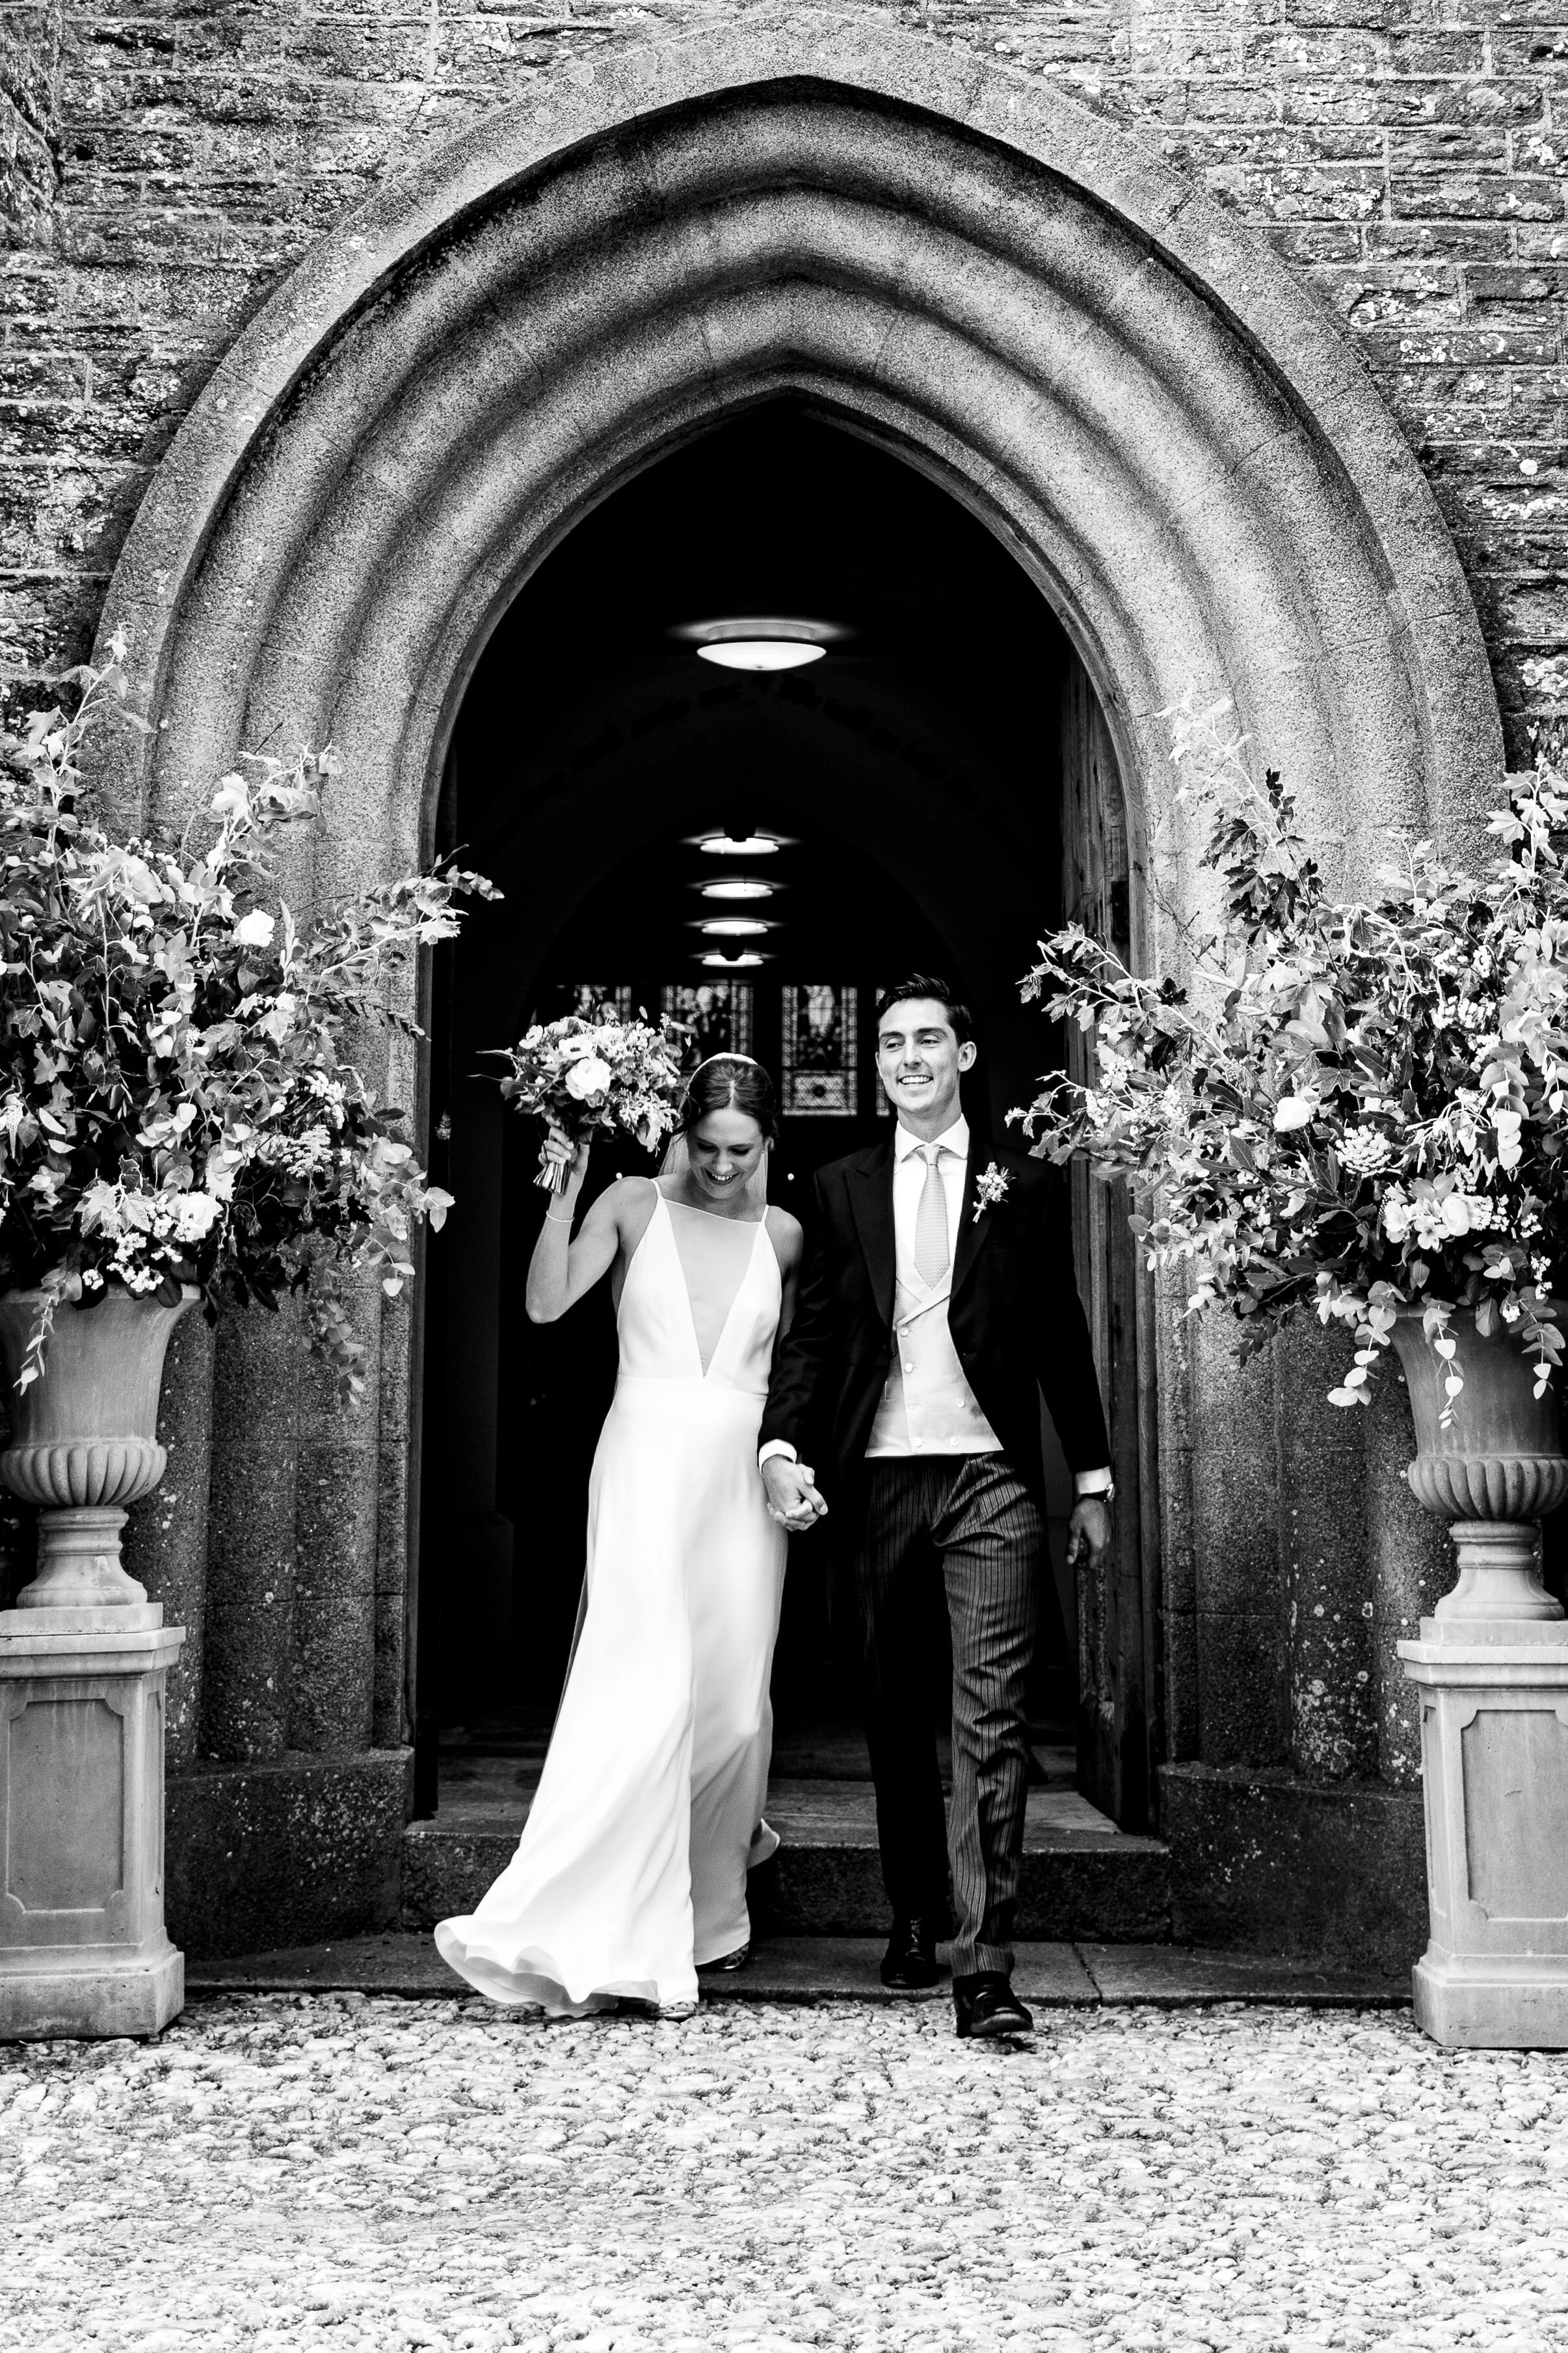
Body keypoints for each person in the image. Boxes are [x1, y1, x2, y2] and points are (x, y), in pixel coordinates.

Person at [759, 977, 1113, 2041]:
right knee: (893, 1708)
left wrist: (1090, 1480)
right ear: (876, 1066)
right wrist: (782, 1445)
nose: (907, 1057)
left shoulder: (1023, 1181)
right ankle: (916, 1909)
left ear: (963, 1055)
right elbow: (814, 1336)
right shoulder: (837, 1185)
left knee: (990, 1717)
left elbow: (1057, 1328)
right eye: (890, 1044)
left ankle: (982, 1963)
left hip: (987, 1477)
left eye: (927, 1040)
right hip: (874, 1478)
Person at [435, 1055, 803, 2018]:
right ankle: (601, 1916)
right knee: (641, 1686)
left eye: (743, 1150)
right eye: (708, 1146)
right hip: (641, 1463)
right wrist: (564, 1190)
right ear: (681, 1132)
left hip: (738, 1486)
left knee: (731, 1709)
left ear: (768, 1144)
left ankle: (712, 1913)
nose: (722, 1167)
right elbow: (546, 1302)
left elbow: (794, 1377)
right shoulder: (632, 1203)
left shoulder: (786, 1235)